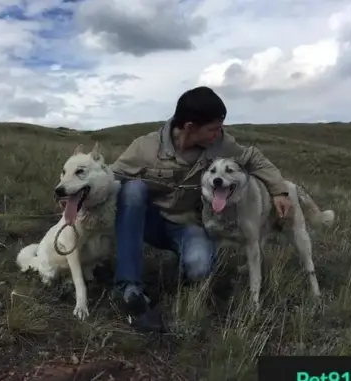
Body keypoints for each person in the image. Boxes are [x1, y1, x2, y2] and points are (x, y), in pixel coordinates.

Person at [108, 86, 292, 332]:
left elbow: (253, 159)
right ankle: (128, 288)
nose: (218, 134)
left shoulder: (222, 145)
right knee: (132, 190)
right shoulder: (144, 147)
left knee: (199, 268)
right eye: (213, 128)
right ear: (190, 127)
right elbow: (110, 177)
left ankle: (180, 274)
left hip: (189, 226)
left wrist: (279, 190)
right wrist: (77, 199)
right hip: (149, 223)